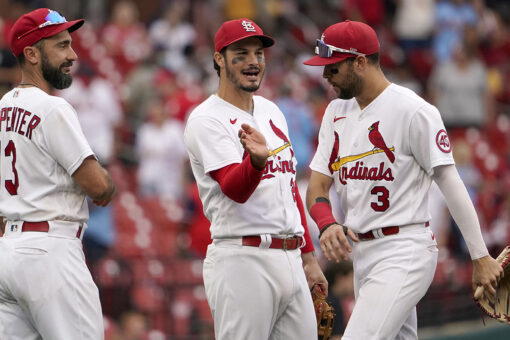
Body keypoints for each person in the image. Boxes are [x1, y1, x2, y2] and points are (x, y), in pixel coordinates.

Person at [303, 20, 503, 339]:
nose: (325, 75)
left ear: (359, 62)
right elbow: (316, 186)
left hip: (404, 247)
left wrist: (479, 255)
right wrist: (326, 223)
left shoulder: (413, 110)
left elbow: (451, 182)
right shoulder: (335, 112)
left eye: (333, 68)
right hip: (362, 254)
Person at [184, 18, 326, 339]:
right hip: (243, 258)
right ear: (219, 58)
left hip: (290, 256)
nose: (253, 62)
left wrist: (308, 256)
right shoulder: (206, 118)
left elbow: (290, 190)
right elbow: (235, 188)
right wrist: (257, 162)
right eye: (242, 53)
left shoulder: (271, 110)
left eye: (258, 53)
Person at [0, 8, 115, 340]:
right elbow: (99, 187)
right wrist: (107, 181)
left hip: (9, 251)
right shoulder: (53, 107)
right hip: (51, 251)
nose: (73, 54)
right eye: (61, 46)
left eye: (71, 44)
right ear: (32, 54)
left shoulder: (5, 105)